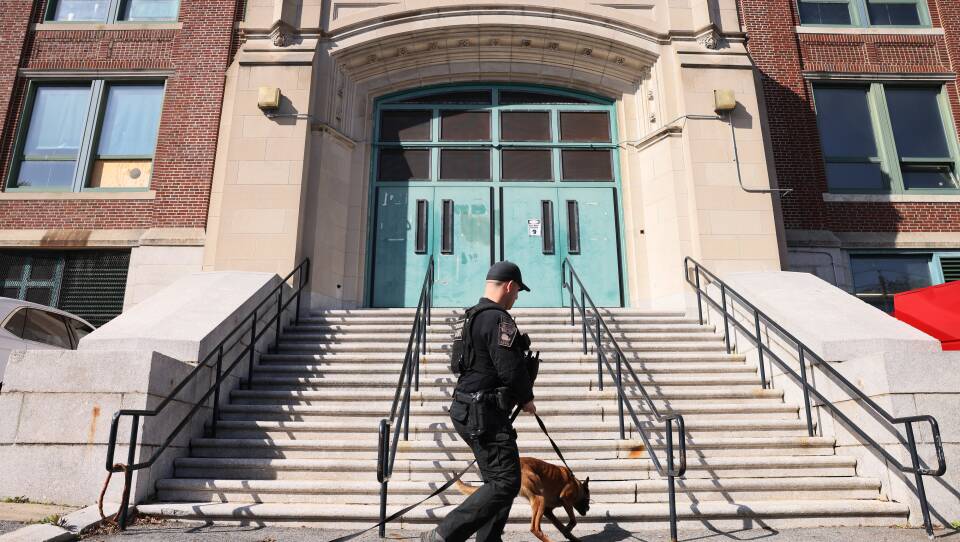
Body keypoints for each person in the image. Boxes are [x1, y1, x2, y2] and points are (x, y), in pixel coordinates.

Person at [421, 261, 538, 542]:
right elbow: (509, 368)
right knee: (506, 481)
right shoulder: (499, 319)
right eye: (517, 291)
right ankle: (443, 535)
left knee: (498, 481)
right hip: (484, 413)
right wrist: (526, 399)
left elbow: (458, 365)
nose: (516, 297)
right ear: (509, 286)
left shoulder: (470, 317)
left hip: (467, 408)